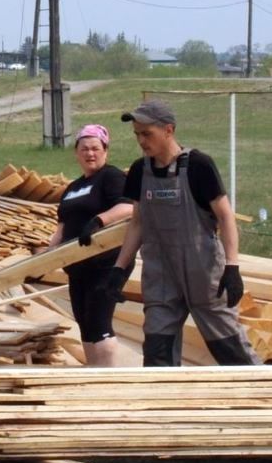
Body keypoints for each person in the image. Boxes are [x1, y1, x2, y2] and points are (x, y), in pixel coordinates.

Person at [104, 100, 261, 367]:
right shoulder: (140, 171)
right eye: (137, 134)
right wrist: (119, 269)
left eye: (147, 133)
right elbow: (138, 223)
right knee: (156, 353)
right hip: (161, 275)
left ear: (168, 130)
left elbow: (225, 216)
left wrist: (232, 267)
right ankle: (162, 407)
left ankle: (267, 400)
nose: (141, 141)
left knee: (230, 350)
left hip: (202, 272)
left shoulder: (199, 166)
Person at [48, 124, 134, 366]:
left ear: (105, 151)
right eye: (84, 149)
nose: (90, 153)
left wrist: (99, 221)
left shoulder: (111, 176)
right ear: (76, 153)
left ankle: (108, 380)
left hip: (106, 263)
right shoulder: (72, 188)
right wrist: (46, 256)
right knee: (85, 324)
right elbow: (62, 227)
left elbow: (129, 206)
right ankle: (94, 374)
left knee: (98, 321)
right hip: (77, 266)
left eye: (96, 148)